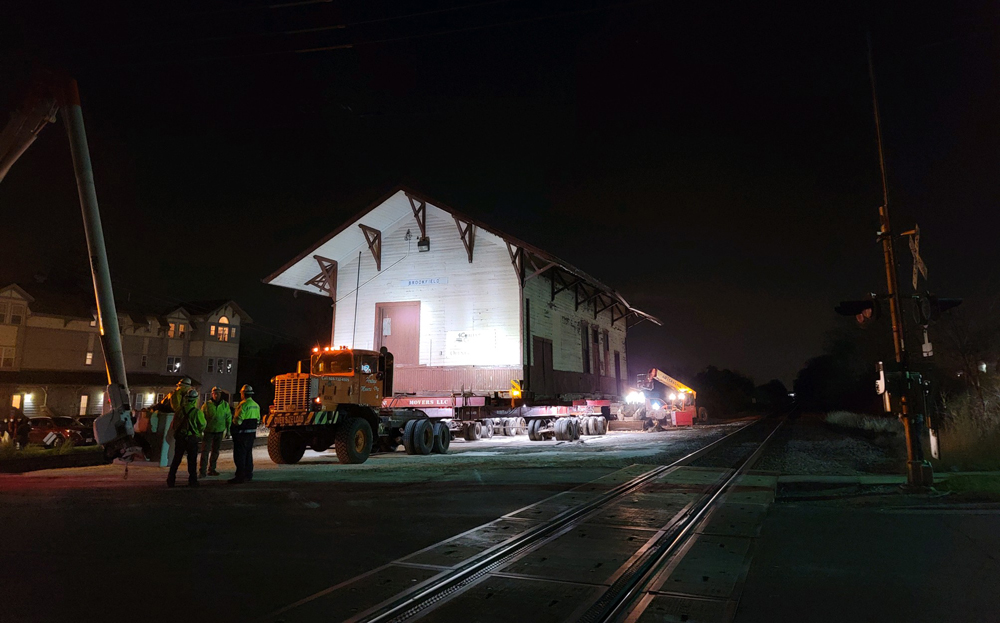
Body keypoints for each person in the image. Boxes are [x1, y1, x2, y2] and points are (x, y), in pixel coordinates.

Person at [167, 388, 206, 488]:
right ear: (195, 400)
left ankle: (171, 480)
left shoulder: (179, 410)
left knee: (176, 459)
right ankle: (192, 481)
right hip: (192, 439)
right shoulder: (197, 412)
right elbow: (202, 424)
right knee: (192, 461)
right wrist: (197, 431)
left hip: (180, 438)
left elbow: (174, 425)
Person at [229, 384, 260, 485]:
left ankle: (240, 477)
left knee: (240, 456)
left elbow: (238, 421)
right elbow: (258, 420)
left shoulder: (243, 405)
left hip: (241, 435)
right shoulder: (256, 405)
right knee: (248, 455)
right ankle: (248, 474)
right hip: (251, 435)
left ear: (243, 393)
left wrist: (232, 422)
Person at [199, 387, 231, 477]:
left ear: (220, 394)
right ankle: (202, 471)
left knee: (215, 451)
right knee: (205, 451)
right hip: (208, 431)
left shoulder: (225, 405)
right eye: (214, 393)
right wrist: (201, 430)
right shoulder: (206, 405)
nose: (216, 395)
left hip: (219, 431)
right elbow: (202, 418)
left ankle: (212, 469)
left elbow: (228, 418)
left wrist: (228, 431)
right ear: (212, 394)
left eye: (218, 393)